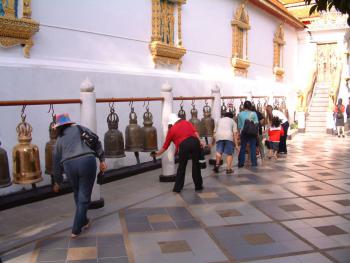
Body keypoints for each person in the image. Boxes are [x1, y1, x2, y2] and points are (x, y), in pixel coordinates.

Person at [52, 113, 107, 238]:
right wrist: (102, 159)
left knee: (78, 193)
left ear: (58, 126)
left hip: (69, 166)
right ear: (69, 122)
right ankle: (76, 228)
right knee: (84, 196)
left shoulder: (59, 140)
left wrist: (57, 181)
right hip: (87, 162)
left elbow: (55, 162)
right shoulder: (80, 128)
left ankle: (84, 220)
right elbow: (95, 141)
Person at [154, 113, 203, 193]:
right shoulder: (187, 122)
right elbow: (195, 132)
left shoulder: (171, 130)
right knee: (196, 165)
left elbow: (165, 146)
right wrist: (200, 141)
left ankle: (177, 188)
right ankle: (198, 186)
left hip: (184, 145)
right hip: (195, 142)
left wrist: (157, 154)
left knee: (182, 166)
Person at [237, 101, 259, 168]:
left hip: (244, 132)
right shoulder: (254, 113)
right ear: (250, 107)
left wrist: (239, 133)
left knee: (243, 147)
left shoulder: (240, 114)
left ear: (244, 106)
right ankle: (254, 162)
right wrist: (257, 133)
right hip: (252, 133)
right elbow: (256, 124)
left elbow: (239, 126)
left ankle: (241, 163)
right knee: (253, 147)